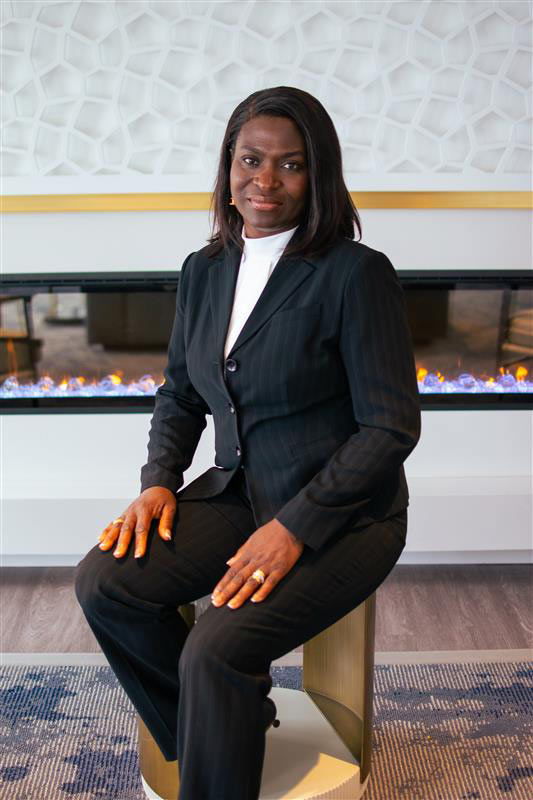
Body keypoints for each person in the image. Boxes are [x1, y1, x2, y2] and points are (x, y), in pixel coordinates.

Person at [74, 85, 421, 800]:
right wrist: (157, 480)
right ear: (227, 165)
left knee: (216, 648)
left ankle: (218, 738)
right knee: (107, 584)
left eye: (289, 165)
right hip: (240, 489)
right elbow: (179, 391)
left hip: (347, 515)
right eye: (249, 160)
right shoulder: (204, 270)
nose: (264, 182)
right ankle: (225, 725)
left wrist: (294, 528)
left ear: (317, 175)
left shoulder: (355, 274)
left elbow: (390, 426)